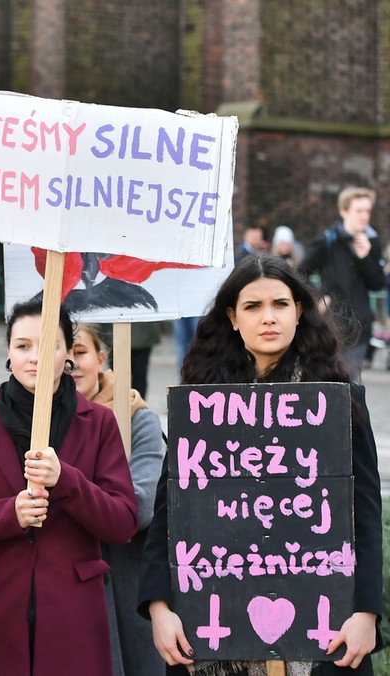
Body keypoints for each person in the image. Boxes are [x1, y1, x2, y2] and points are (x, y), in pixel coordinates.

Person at [139, 254, 383, 674]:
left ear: (299, 311)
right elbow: (169, 515)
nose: (268, 317)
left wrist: (366, 614)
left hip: (327, 628)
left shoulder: (340, 402)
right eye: (253, 306)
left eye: (280, 304)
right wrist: (160, 608)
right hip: (209, 625)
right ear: (233, 318)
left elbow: (364, 514)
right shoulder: (200, 405)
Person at [0, 298, 138, 675]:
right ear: (8, 352)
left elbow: (122, 522)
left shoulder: (100, 423)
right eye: (23, 346)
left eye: (48, 345)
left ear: (67, 353)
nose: (35, 358)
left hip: (72, 616)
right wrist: (10, 513)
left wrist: (68, 481)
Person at [69, 324, 165, 676]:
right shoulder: (37, 421)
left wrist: (69, 489)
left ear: (101, 357)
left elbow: (139, 508)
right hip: (65, 587)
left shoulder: (138, 419)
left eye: (79, 352)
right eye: (60, 353)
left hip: (127, 581)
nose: (70, 363)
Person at [300, 186, 385, 381]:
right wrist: (319, 298)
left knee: (349, 380)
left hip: (361, 326)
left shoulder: (373, 241)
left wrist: (365, 257)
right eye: (359, 211)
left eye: (367, 211)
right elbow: (300, 273)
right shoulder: (328, 240)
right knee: (329, 380)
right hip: (332, 324)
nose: (364, 216)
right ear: (344, 211)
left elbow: (377, 284)